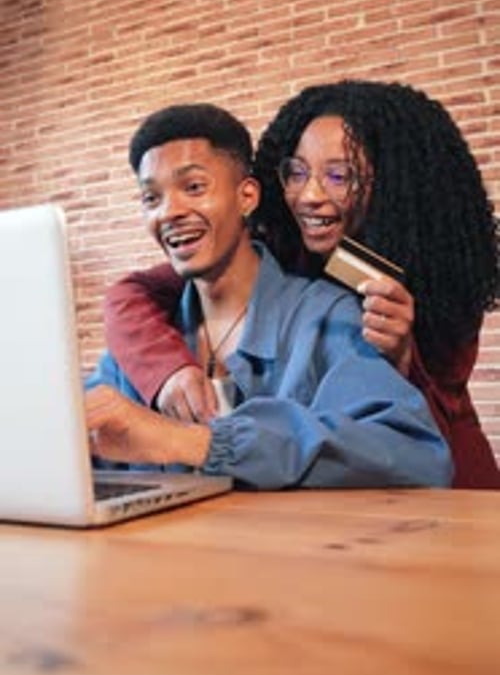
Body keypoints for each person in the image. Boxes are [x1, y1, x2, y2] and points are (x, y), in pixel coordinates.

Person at [102, 82, 500, 489]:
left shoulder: (421, 285)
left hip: (455, 494)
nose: (309, 195)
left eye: (339, 176)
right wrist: (166, 370)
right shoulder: (279, 249)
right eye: (296, 172)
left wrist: (403, 359)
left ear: (392, 184)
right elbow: (127, 297)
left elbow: (413, 448)